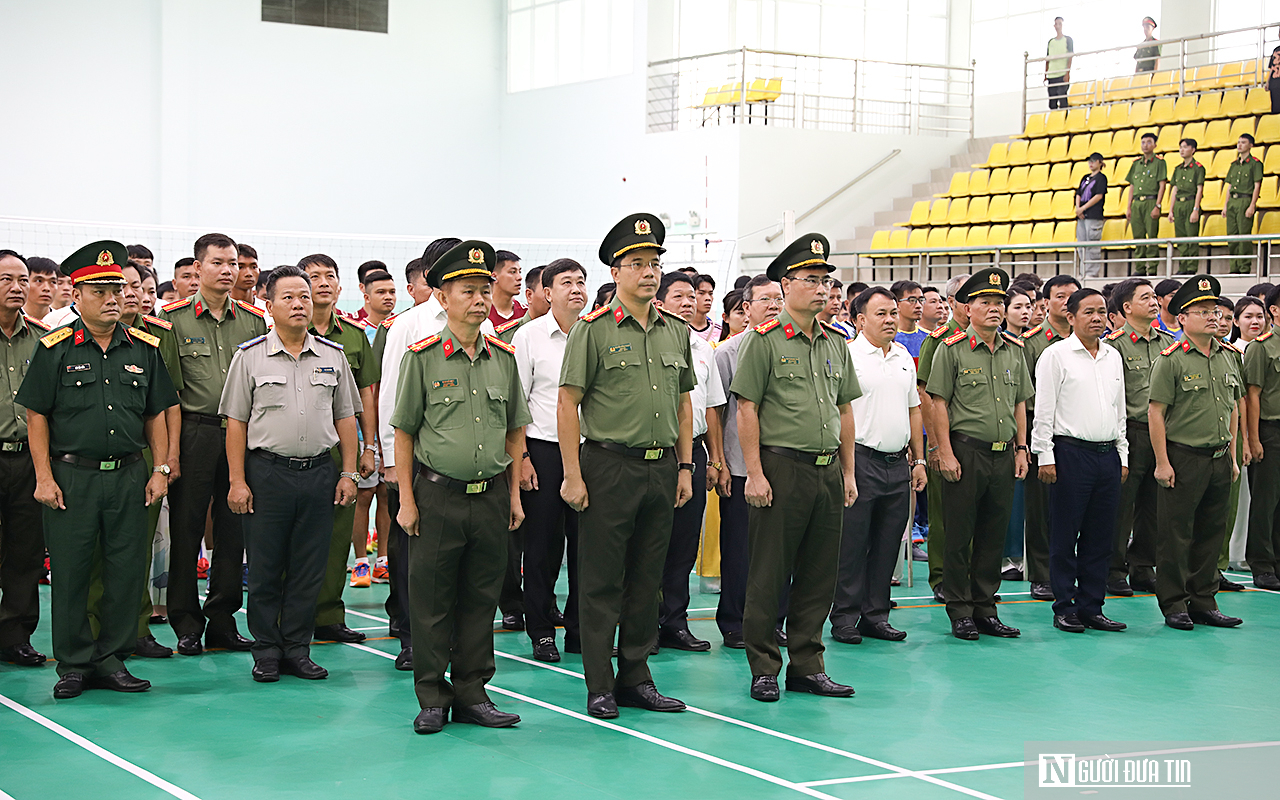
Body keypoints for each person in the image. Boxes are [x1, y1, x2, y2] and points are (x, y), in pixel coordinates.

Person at [19, 241, 177, 698]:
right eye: (102, 290)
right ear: (79, 295)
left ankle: (111, 659)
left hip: (129, 475)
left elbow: (156, 414)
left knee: (126, 570)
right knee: (71, 571)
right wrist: (44, 478)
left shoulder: (144, 348)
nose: (115, 297)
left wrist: (161, 468)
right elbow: (37, 415)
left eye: (118, 289)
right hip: (72, 478)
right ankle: (73, 664)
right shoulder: (55, 348)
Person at [558, 213, 694, 720]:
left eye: (654, 263)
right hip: (608, 466)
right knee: (600, 580)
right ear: (616, 272)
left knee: (646, 578)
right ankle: (599, 684)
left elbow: (684, 405)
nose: (648, 272)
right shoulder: (592, 331)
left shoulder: (673, 330)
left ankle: (636, 676)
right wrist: (572, 473)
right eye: (636, 263)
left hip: (660, 469)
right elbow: (567, 403)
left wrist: (684, 467)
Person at [392, 241, 530, 735]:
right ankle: (432, 696)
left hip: (491, 495)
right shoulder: (422, 358)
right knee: (431, 601)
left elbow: (515, 430)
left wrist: (514, 495)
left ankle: (473, 692)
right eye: (468, 290)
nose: (478, 299)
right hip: (436, 496)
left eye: (483, 290)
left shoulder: (504, 358)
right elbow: (404, 431)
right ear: (443, 298)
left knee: (480, 598)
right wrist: (406, 500)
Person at [732, 233, 859, 702]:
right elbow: (747, 409)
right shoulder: (763, 341)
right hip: (781, 469)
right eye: (811, 279)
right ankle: (764, 666)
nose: (822, 288)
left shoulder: (835, 343)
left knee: (818, 574)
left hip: (827, 471)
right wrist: (756, 473)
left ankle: (808, 664)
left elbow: (845, 410)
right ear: (786, 285)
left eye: (826, 280)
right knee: (769, 573)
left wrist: (848, 473)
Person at [221, 265, 360, 682]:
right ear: (269, 303)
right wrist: (237, 480)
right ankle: (266, 650)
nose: (299, 304)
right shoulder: (249, 357)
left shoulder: (332, 356)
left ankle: (298, 648)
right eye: (288, 297)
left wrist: (349, 472)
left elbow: (347, 418)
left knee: (308, 567)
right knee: (265, 567)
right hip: (267, 474)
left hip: (319, 472)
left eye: (304, 296)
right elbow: (235, 423)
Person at [159, 233, 268, 656]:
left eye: (234, 264)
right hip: (194, 431)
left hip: (242, 433)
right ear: (197, 268)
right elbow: (167, 394)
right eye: (219, 263)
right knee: (186, 530)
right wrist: (171, 454)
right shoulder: (172, 320)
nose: (229, 271)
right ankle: (186, 622)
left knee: (233, 528)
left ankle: (223, 620)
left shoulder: (254, 322)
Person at [926, 268, 1031, 640]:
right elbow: (938, 403)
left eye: (999, 302)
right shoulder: (951, 349)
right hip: (966, 452)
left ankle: (986, 607)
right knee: (959, 535)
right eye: (985, 302)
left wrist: (1021, 448)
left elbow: (1019, 402)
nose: (994, 309)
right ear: (967, 308)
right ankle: (960, 610)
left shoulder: (1013, 350)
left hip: (1003, 454)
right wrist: (944, 452)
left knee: (993, 534)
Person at [830, 287, 925, 645]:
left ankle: (876, 615)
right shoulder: (847, 356)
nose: (890, 320)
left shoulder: (902, 355)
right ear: (860, 320)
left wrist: (917, 459)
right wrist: (847, 468)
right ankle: (844, 617)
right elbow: (839, 412)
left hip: (897, 462)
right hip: (860, 459)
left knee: (888, 543)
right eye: (881, 314)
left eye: (892, 313)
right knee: (852, 544)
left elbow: (914, 409)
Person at [1149, 275, 1244, 630]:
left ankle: (1204, 600)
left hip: (1219, 457)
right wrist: (1162, 462)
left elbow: (1233, 408)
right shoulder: (1171, 360)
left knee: (1210, 532)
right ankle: (1174, 603)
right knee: (1176, 534)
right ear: (1183, 318)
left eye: (1215, 311)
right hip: (1184, 457)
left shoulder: (1227, 356)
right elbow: (1156, 411)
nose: (1213, 317)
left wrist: (1233, 457)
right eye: (1202, 311)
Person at [1032, 288, 1129, 633]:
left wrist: (1123, 454)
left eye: (1102, 312)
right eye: (1088, 312)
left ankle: (1092, 605)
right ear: (1070, 317)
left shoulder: (1113, 356)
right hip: (1070, 453)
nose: (1097, 318)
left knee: (1101, 536)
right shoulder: (1055, 356)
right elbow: (1043, 411)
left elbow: (1120, 411)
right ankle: (1064, 606)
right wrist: (1044, 454)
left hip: (1107, 454)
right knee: (1064, 534)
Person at [297, 254, 379, 643]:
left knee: (335, 534)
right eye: (314, 277)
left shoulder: (354, 335)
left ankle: (328, 613)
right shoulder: (281, 330)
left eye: (330, 276)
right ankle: (290, 617)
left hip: (340, 449)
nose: (324, 283)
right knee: (292, 537)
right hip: (292, 450)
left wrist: (369, 448)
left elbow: (367, 397)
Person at [512, 259, 588, 662]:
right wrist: (522, 456)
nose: (576, 289)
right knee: (542, 549)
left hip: (591, 452)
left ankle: (579, 631)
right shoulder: (530, 337)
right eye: (566, 283)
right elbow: (516, 402)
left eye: (581, 282)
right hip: (543, 451)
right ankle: (541, 630)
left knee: (587, 548)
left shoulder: (595, 332)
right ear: (547, 292)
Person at [713, 275, 787, 649]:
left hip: (783, 466)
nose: (774, 305)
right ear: (746, 308)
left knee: (778, 552)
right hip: (742, 468)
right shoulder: (729, 352)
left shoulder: (793, 346)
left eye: (779, 299)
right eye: (765, 300)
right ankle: (734, 622)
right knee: (740, 550)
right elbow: (719, 411)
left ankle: (774, 621)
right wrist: (722, 462)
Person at [655, 272, 727, 652]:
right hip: (657, 452)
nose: (688, 302)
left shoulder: (702, 348)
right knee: (651, 543)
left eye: (692, 296)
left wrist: (716, 458)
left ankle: (675, 622)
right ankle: (645, 624)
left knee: (684, 544)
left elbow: (713, 407)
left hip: (695, 452)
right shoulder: (649, 343)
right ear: (659, 302)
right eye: (679, 296)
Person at [1102, 278, 1176, 596]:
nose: (1154, 302)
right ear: (1126, 307)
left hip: (1163, 433)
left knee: (1155, 504)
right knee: (1121, 504)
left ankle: (1143, 566)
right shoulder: (1114, 345)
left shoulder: (1169, 344)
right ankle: (1113, 569)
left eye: (1154, 297)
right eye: (1145, 297)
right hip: (1129, 431)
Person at [0, 251, 51, 668]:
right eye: (6, 280)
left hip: (29, 459)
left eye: (23, 280)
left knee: (25, 552)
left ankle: (16, 636)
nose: (17, 287)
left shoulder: (41, 339)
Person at [1020, 274, 1080, 602]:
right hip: (1042, 430)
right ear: (1046, 303)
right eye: (1060, 296)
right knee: (1042, 509)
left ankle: (1071, 571)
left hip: (1078, 432)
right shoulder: (1031, 342)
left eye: (1073, 295)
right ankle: (1042, 575)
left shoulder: (1090, 340)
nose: (1067, 301)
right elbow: (1025, 394)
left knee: (1076, 506)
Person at [917, 273, 971, 603]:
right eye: (967, 299)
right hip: (944, 438)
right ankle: (940, 576)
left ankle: (969, 576)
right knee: (942, 513)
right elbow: (925, 394)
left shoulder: (994, 340)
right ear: (952, 303)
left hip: (978, 441)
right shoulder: (938, 341)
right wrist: (935, 444)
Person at [1243, 286, 1280, 591]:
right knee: (1265, 502)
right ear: (1275, 312)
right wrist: (1254, 439)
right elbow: (1252, 396)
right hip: (1270, 429)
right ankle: (1262, 564)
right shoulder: (1262, 347)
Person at [1126, 133, 1167, 277]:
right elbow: (1132, 186)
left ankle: (1152, 268)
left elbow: (1162, 185)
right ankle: (1140, 267)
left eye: (1149, 142)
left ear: (1155, 145)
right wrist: (1129, 206)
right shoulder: (1136, 163)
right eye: (1143, 142)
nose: (1145, 145)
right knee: (1138, 237)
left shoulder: (1159, 162)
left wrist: (1158, 205)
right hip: (1137, 202)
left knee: (1152, 236)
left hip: (1151, 201)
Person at [1225, 134, 1263, 275]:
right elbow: (1229, 186)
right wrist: (1225, 205)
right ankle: (1234, 267)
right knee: (1232, 236)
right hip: (1232, 201)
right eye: (1238, 142)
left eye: (1243, 142)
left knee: (1244, 235)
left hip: (1245, 199)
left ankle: (1244, 267)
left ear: (1251, 145)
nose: (1239, 145)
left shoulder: (1255, 164)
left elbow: (1256, 185)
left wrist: (1252, 204)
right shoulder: (1234, 165)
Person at [1167, 139, 1206, 275]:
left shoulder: (1198, 168)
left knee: (1191, 237)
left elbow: (1199, 189)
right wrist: (1171, 210)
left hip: (1190, 203)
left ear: (1193, 150)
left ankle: (1191, 267)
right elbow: (1174, 189)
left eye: (1185, 147)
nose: (1182, 150)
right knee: (1180, 238)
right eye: (1180, 147)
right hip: (1179, 204)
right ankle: (1182, 266)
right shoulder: (1178, 169)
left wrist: (1196, 209)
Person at [1075, 153, 1108, 277]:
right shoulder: (1085, 177)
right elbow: (1078, 193)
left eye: (1094, 161)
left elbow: (1099, 195)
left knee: (1092, 245)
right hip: (1082, 216)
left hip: (1094, 215)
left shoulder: (1101, 178)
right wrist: (1078, 209)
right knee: (1081, 244)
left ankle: (1092, 273)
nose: (1091, 163)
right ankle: (1083, 271)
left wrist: (1083, 208)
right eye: (1089, 161)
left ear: (1100, 162)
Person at [890, 280, 927, 359]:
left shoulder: (928, 337)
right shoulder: (888, 337)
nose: (918, 305)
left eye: (921, 300)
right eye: (912, 300)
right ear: (897, 304)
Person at [487, 249, 524, 327]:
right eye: (513, 272)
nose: (519, 277)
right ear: (494, 277)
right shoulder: (482, 312)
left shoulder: (526, 312)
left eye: (519, 272)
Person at [1045, 17, 1074, 110]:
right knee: (1052, 103)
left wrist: (1067, 72)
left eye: (1060, 23)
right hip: (1052, 75)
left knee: (1063, 101)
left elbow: (1070, 57)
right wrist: (1046, 73)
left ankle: (1063, 121)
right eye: (1056, 24)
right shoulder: (1051, 42)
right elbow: (1048, 59)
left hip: (1062, 74)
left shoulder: (1068, 40)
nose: (1058, 26)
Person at [24, 257, 58, 323]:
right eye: (39, 281)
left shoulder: (64, 321)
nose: (46, 288)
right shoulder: (11, 318)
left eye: (53, 282)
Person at [690, 274, 721, 341]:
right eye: (701, 293)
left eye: (710, 294)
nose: (708, 298)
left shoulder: (719, 331)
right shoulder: (683, 329)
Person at [1267, 46, 1280, 115]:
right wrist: (1268, 82)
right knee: (1275, 107)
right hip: (1274, 82)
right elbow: (1272, 68)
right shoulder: (1276, 50)